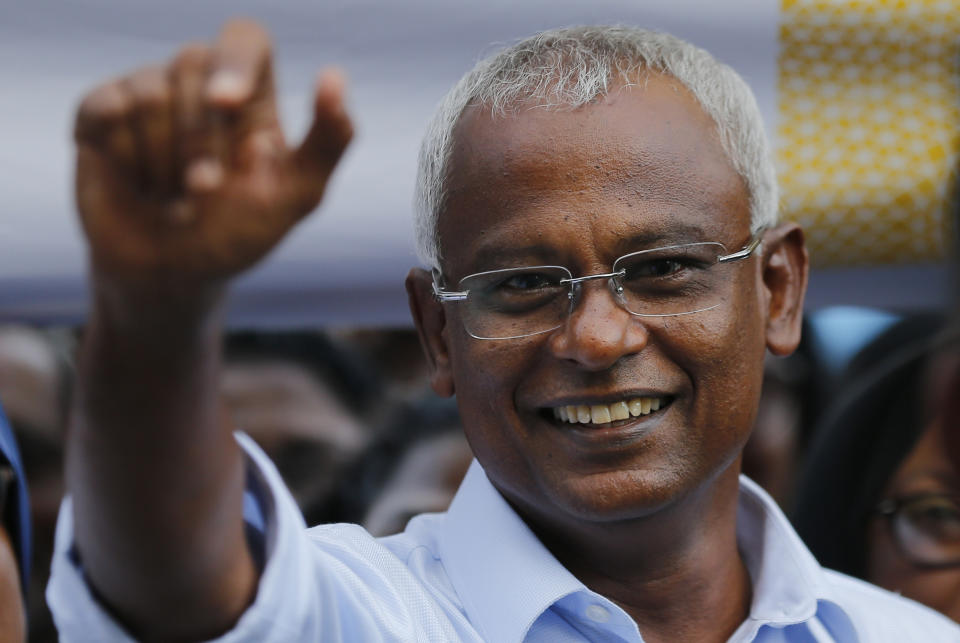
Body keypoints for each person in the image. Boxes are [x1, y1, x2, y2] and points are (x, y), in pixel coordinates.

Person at [46, 19, 958, 642]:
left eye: (662, 270)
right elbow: (175, 586)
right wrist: (155, 308)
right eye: (523, 284)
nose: (597, 337)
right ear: (438, 335)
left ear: (779, 290)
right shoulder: (365, 613)